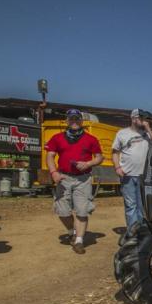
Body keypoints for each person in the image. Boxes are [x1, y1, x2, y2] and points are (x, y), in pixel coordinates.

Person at [45, 109, 103, 254]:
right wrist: (54, 173)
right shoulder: (57, 138)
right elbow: (50, 156)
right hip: (63, 178)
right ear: (67, 120)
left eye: (77, 119)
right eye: (71, 119)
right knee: (63, 211)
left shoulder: (91, 139)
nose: (74, 121)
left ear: (82, 121)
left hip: (83, 179)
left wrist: (88, 164)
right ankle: (72, 232)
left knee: (82, 211)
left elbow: (99, 157)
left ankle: (79, 241)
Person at [112, 109, 152, 228]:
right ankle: (132, 231)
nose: (143, 121)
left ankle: (141, 230)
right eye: (140, 118)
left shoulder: (147, 134)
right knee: (130, 204)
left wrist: (148, 129)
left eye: (144, 119)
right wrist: (117, 168)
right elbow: (115, 152)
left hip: (144, 175)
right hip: (127, 175)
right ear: (133, 118)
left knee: (142, 205)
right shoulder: (122, 133)